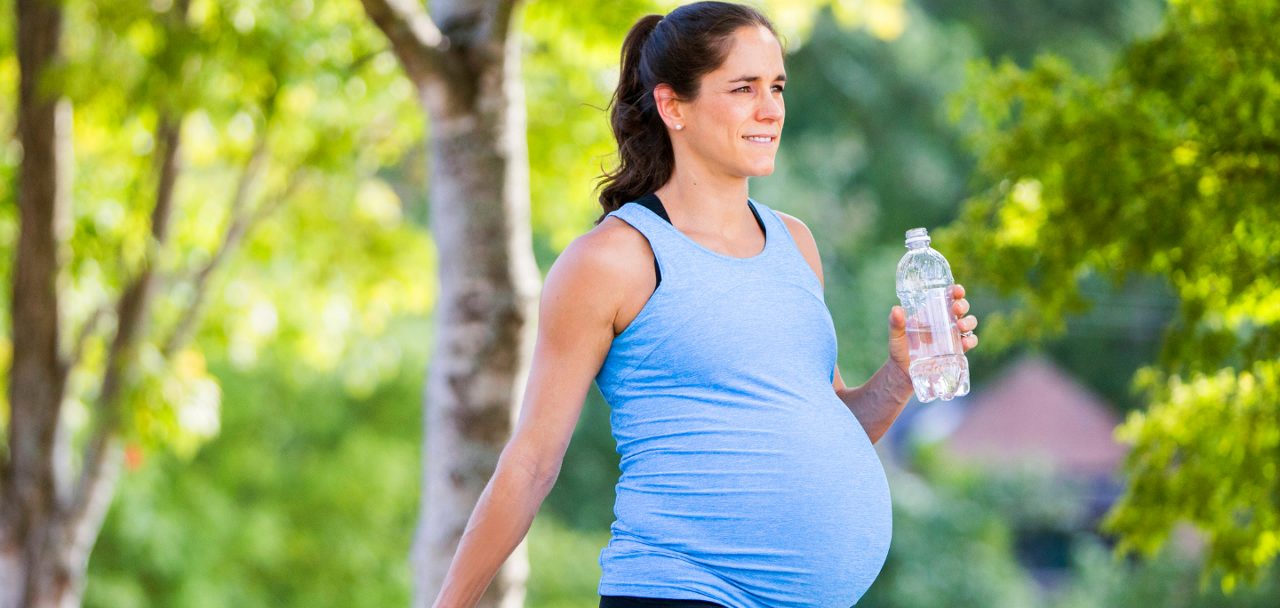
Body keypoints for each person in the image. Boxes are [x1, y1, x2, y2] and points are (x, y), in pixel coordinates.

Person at [430, 2, 979, 607]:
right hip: (683, 590)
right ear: (672, 106)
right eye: (743, 88)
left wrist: (901, 375)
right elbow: (531, 462)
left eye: (776, 86)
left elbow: (824, 423)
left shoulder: (794, 243)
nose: (770, 109)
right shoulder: (615, 259)